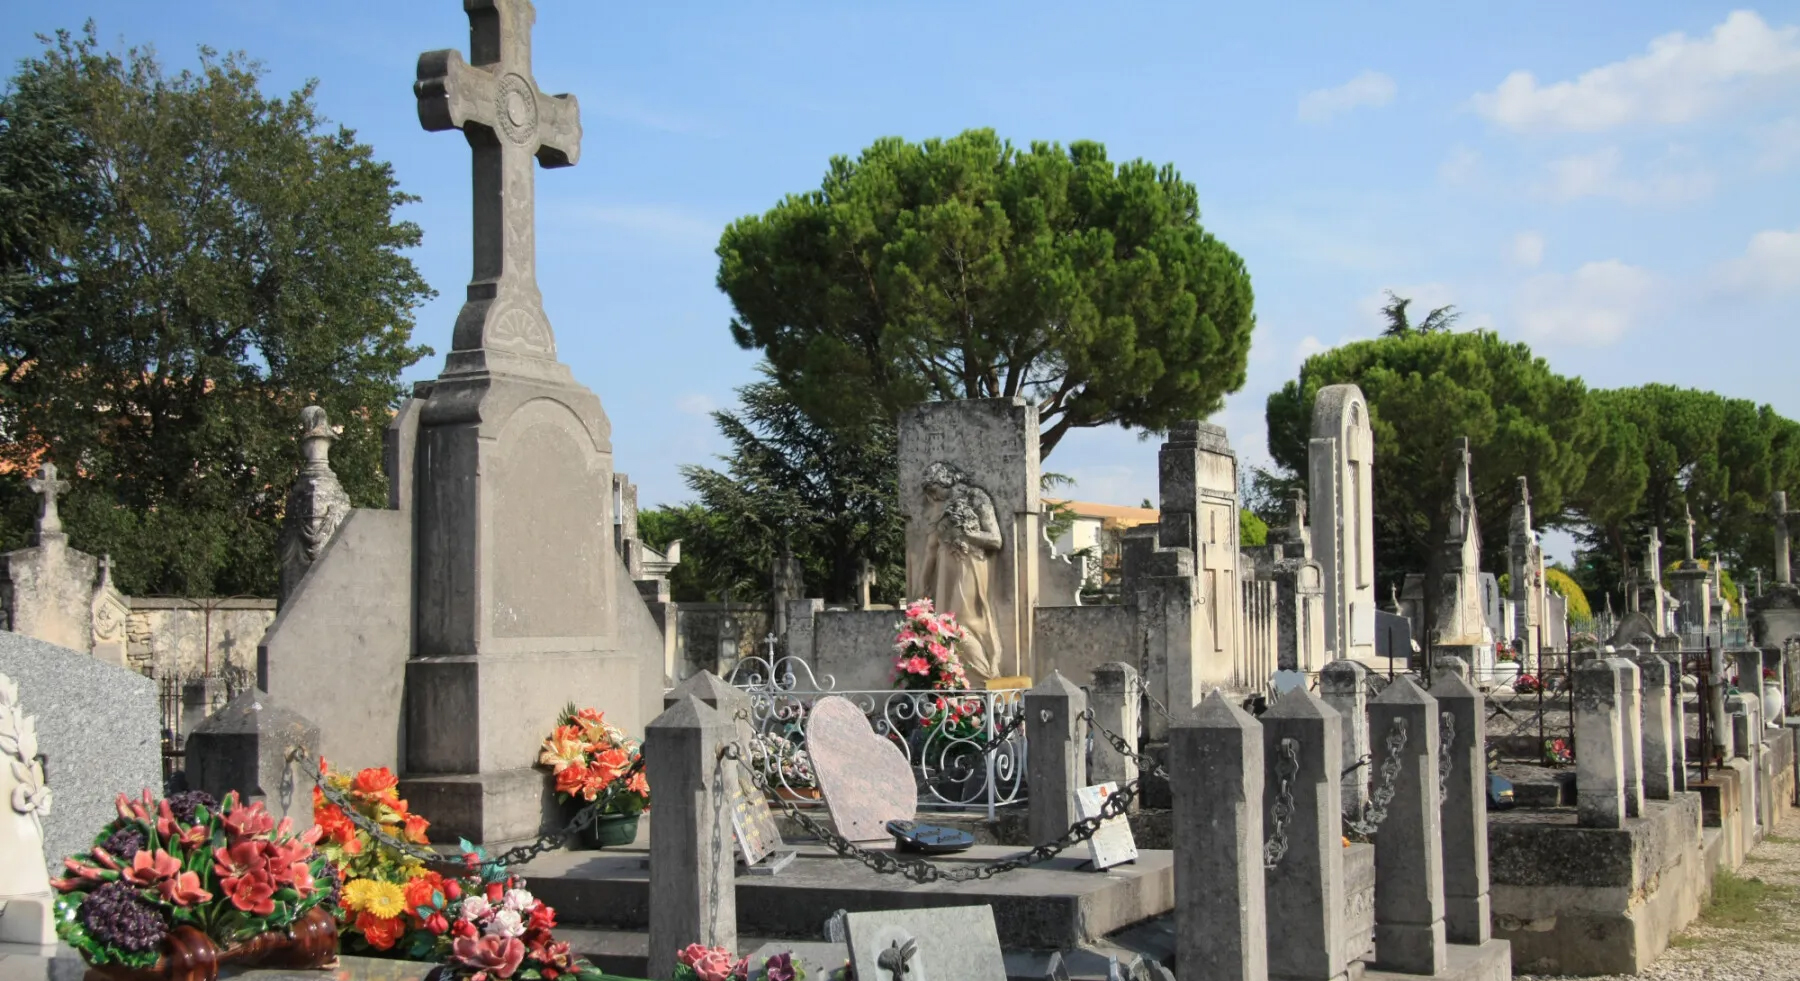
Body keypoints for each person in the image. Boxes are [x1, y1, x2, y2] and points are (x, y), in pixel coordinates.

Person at [912, 462, 1004, 682]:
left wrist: (965, 534)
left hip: (969, 563)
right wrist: (921, 586)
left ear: (945, 480)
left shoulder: (976, 497)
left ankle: (985, 678)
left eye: (933, 489)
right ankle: (955, 680)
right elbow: (931, 549)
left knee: (963, 622)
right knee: (944, 624)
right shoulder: (939, 508)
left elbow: (995, 540)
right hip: (946, 568)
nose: (932, 497)